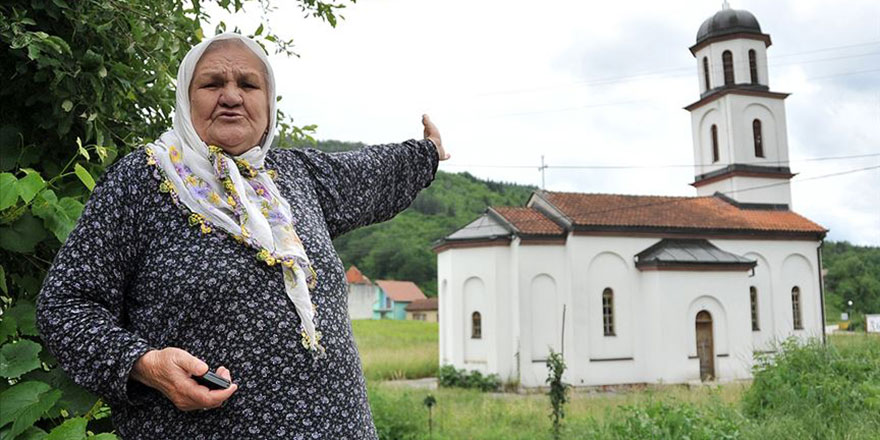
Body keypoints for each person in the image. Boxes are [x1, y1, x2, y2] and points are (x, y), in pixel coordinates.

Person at [36, 32, 448, 439]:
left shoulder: (295, 177)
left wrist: (427, 151)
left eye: (248, 84)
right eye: (212, 83)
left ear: (268, 105)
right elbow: (65, 306)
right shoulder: (141, 181)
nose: (231, 96)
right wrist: (145, 363)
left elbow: (372, 172)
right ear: (185, 97)